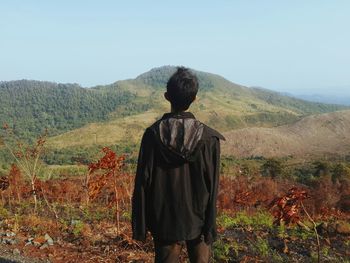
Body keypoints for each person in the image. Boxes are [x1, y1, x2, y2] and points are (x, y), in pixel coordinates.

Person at [132, 67, 225, 263]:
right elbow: (213, 185)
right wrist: (210, 225)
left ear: (167, 96)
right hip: (198, 219)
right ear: (195, 98)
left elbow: (142, 182)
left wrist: (139, 227)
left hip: (164, 219)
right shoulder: (209, 138)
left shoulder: (152, 135)